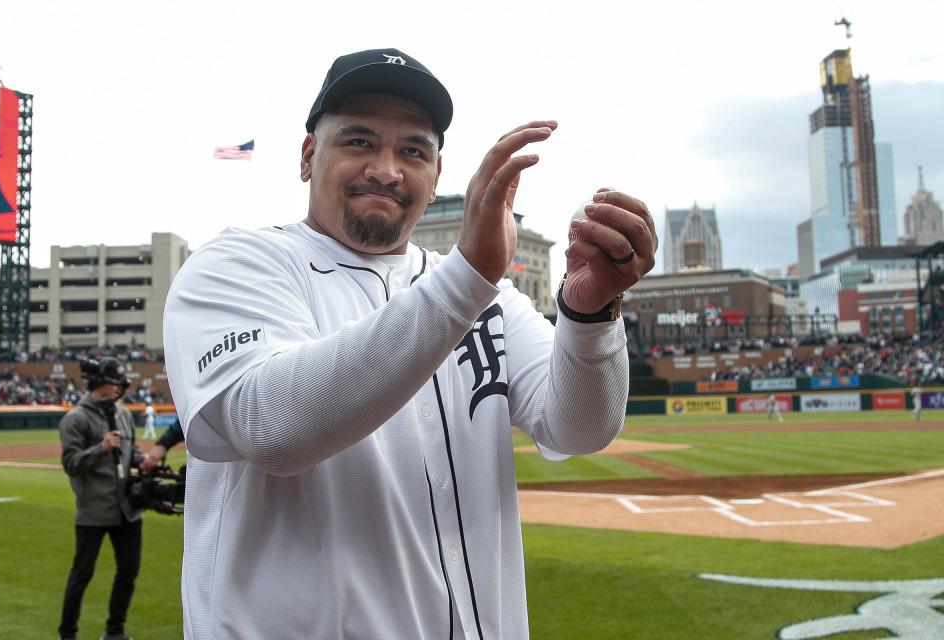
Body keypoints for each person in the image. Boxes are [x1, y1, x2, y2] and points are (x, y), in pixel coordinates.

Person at [164, 47, 656, 640]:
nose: (387, 169)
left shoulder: (484, 293)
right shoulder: (239, 263)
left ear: (437, 174)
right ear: (307, 156)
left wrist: (590, 311)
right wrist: (468, 276)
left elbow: (579, 428)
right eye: (359, 142)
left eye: (413, 151)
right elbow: (270, 429)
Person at [57, 357, 142, 640]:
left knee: (128, 571)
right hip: (93, 510)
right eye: (115, 383)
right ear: (101, 383)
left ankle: (115, 631)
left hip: (127, 510)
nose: (119, 389)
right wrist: (101, 449)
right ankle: (67, 634)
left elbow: (133, 453)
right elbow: (70, 463)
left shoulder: (123, 415)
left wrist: (142, 462)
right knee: (81, 576)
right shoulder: (75, 419)